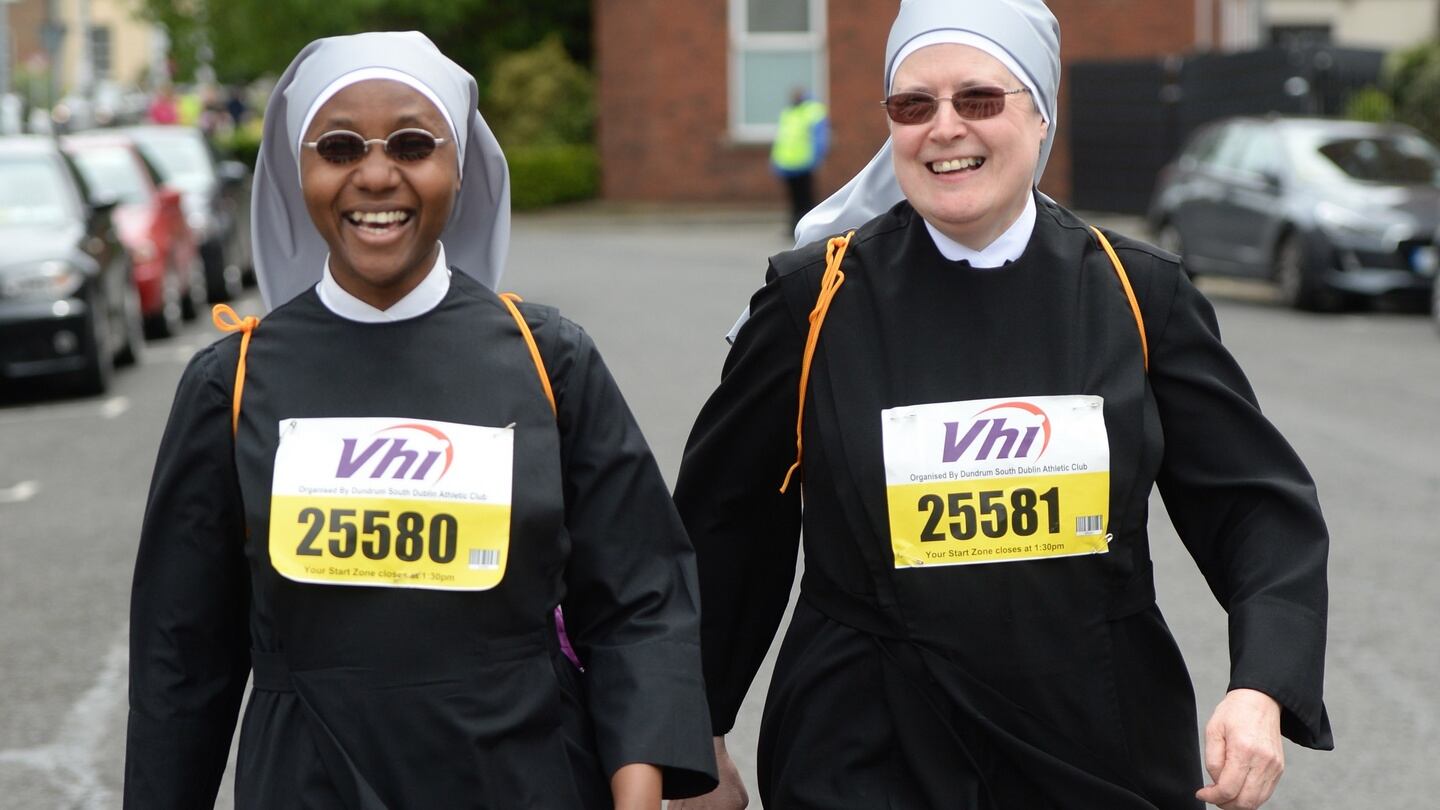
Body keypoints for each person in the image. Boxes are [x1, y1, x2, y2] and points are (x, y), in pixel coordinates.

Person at [671, 2, 1332, 809]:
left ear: (1041, 112)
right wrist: (691, 736)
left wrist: (1262, 686)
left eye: (979, 98)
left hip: (1095, 743)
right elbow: (726, 526)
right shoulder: (813, 304)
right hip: (864, 749)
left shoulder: (1136, 293)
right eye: (913, 105)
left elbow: (1255, 509)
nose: (944, 127)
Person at [125, 31, 717, 809]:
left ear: (459, 165)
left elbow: (639, 599)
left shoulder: (550, 361)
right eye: (338, 148)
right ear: (297, 170)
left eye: (412, 143)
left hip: (526, 777)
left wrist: (638, 797)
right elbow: (181, 656)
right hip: (309, 782)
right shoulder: (230, 383)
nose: (376, 175)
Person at [771, 87, 829, 234]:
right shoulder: (788, 113)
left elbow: (820, 138)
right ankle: (795, 227)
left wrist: (817, 158)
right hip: (788, 164)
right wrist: (776, 161)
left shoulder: (813, 111)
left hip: (804, 164)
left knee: (806, 199)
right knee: (794, 199)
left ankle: (809, 229)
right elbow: (782, 138)